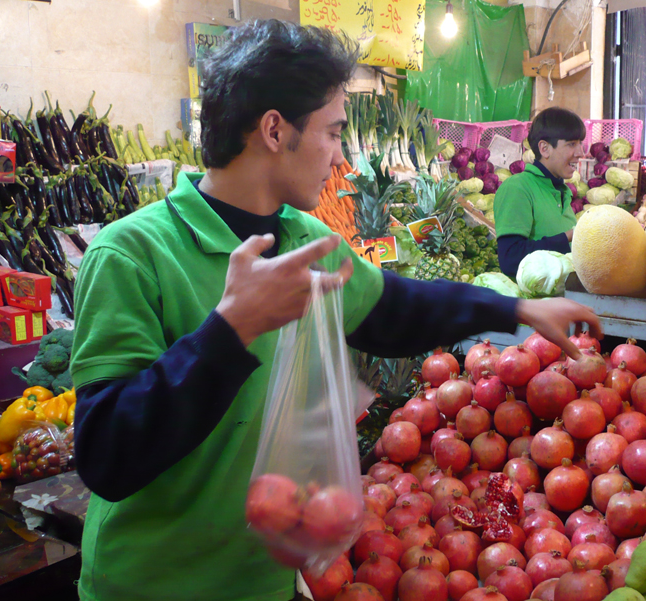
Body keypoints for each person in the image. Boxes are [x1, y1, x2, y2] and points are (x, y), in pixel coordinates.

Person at [70, 20, 602, 601]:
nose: (341, 153)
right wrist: (230, 330)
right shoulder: (131, 254)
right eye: (331, 132)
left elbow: (390, 310)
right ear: (275, 130)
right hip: (151, 586)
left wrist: (517, 308)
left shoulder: (304, 238)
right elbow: (105, 456)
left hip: (263, 581)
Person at [493, 107, 585, 278]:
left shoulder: (562, 190)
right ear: (545, 149)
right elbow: (511, 259)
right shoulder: (518, 188)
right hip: (532, 302)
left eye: (580, 143)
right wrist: (569, 236)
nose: (581, 153)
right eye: (572, 144)